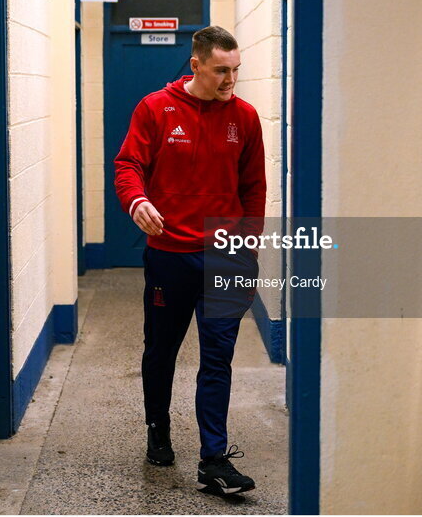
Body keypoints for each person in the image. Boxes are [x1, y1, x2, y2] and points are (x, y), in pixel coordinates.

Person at [113, 25, 266, 496]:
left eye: (236, 70)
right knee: (162, 351)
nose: (230, 80)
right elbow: (128, 165)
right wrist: (137, 202)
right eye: (221, 70)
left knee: (218, 358)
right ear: (195, 65)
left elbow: (253, 187)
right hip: (170, 258)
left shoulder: (246, 117)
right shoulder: (155, 109)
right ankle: (157, 427)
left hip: (225, 259)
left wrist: (247, 244)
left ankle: (214, 459)